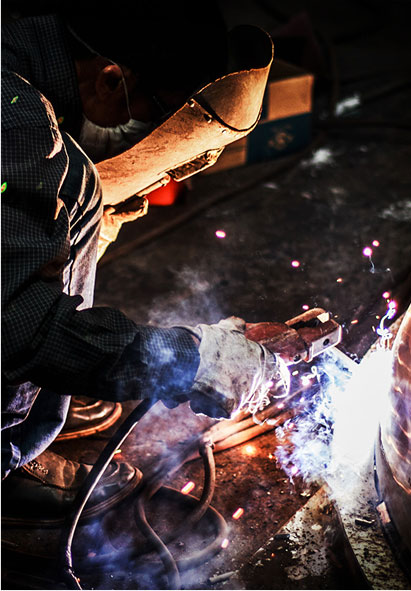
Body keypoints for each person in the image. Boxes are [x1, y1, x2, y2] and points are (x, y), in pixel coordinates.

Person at [1, 2, 288, 525]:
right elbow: (16, 325)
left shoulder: (20, 57)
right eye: (156, 112)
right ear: (112, 79)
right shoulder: (15, 121)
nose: (151, 130)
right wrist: (187, 358)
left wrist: (91, 218)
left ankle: (30, 413)